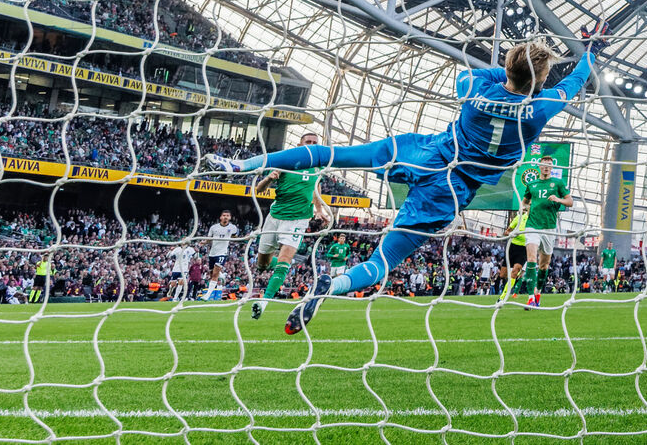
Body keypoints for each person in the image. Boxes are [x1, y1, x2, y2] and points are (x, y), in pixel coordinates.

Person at [205, 37, 602, 334]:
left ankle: (244, 163)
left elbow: (467, 77)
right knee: (382, 264)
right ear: (543, 78)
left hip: (424, 152)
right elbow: (578, 79)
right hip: (450, 189)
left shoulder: (476, 88)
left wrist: (510, 72)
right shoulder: (545, 106)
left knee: (333, 155)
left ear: (508, 66)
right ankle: (329, 288)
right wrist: (590, 51)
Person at [248, 132, 332, 320]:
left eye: (314, 143)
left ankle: (264, 302)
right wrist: (270, 178)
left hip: (298, 219)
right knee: (262, 265)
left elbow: (316, 188)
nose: (311, 145)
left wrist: (318, 210)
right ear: (299, 144)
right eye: (308, 142)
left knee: (285, 256)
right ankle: (282, 267)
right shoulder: (286, 162)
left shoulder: (318, 167)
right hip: (275, 216)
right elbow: (258, 189)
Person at [517, 155, 573, 307]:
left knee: (544, 265)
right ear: (539, 166)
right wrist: (523, 208)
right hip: (532, 226)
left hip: (549, 227)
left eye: (549, 165)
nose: (546, 167)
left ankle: (538, 292)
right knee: (531, 259)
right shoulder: (532, 184)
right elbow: (525, 201)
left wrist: (558, 200)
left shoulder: (558, 183)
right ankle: (530, 297)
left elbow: (570, 202)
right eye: (544, 165)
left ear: (552, 167)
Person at [200, 210, 238, 301]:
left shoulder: (233, 227)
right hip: (212, 253)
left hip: (222, 253)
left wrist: (245, 237)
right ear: (220, 217)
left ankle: (207, 295)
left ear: (230, 217)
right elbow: (209, 239)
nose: (225, 217)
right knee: (211, 273)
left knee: (215, 274)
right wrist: (204, 242)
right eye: (224, 215)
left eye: (227, 216)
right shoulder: (214, 227)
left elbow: (234, 236)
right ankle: (221, 275)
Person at [499, 213, 528, 301]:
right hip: (512, 247)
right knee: (503, 275)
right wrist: (512, 234)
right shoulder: (519, 217)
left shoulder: (536, 220)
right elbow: (506, 232)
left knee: (515, 271)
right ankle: (512, 279)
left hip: (524, 248)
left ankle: (502, 297)